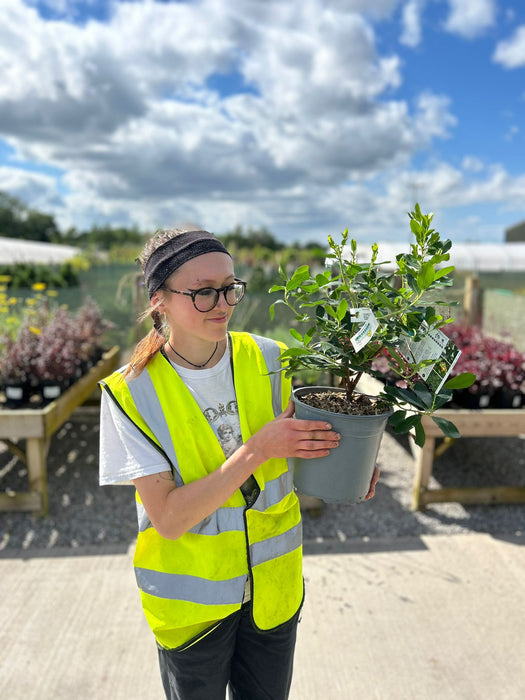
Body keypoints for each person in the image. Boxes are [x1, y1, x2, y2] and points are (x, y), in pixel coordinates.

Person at [99, 228, 379, 700]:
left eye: (230, 287)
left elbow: (293, 445)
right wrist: (256, 450)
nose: (223, 303)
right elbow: (168, 518)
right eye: (203, 292)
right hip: (194, 611)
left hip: (273, 591)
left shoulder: (266, 357)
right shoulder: (131, 393)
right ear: (159, 300)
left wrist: (349, 460)